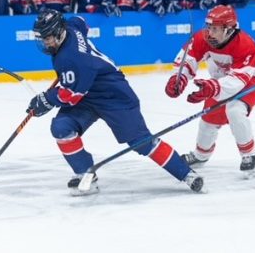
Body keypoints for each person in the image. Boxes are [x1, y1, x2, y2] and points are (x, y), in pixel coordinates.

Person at [25, 10, 204, 195]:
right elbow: (81, 22)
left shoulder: (73, 59)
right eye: (42, 37)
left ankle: (186, 174)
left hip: (114, 95)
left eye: (47, 37)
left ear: (59, 32)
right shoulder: (71, 27)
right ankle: (85, 174)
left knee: (142, 142)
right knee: (62, 128)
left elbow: (70, 96)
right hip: (87, 96)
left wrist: (46, 99)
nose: (45, 42)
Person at [164, 5, 255, 177]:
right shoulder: (204, 38)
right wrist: (179, 78)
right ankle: (201, 155)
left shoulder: (245, 44)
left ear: (229, 29)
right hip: (222, 80)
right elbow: (189, 58)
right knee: (208, 118)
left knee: (235, 110)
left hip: (252, 78)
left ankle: (248, 154)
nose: (209, 33)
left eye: (215, 29)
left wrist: (213, 88)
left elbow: (238, 81)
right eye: (208, 27)